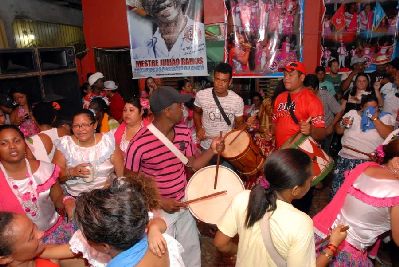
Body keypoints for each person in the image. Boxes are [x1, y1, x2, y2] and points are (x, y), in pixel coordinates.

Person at [125, 86, 224, 267]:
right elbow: (130, 182)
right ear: (167, 111)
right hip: (158, 211)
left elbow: (193, 164)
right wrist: (161, 201)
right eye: (179, 105)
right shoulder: (138, 144)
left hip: (183, 204)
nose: (183, 109)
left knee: (191, 249)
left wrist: (212, 150)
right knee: (166, 257)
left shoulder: (184, 132)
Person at [214, 149, 347, 267]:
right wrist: (332, 245)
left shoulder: (243, 198)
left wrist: (240, 251)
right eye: (309, 179)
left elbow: (220, 243)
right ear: (295, 190)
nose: (312, 179)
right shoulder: (300, 223)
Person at [314, 138, 399, 265]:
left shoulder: (365, 167)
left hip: (325, 236)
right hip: (346, 253)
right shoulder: (396, 191)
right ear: (397, 162)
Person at [0, 125, 75, 244]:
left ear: (25, 143)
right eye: (4, 143)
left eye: (17, 141)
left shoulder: (45, 169)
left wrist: (68, 201)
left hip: (56, 232)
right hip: (20, 245)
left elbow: (57, 198)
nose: (12, 147)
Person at [74, 177, 170, 267]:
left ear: (104, 246)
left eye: (88, 240)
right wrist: (154, 228)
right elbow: (158, 222)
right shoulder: (157, 244)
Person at [331, 95, 394, 197]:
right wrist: (342, 123)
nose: (371, 110)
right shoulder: (352, 114)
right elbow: (338, 131)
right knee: (338, 192)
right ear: (362, 107)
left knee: (357, 195)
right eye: (368, 108)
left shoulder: (386, 117)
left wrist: (374, 118)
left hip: (366, 162)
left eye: (374, 107)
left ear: (378, 107)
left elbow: (388, 136)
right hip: (345, 158)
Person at [52, 109, 124, 197]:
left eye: (85, 125)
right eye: (76, 126)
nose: (81, 129)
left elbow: (121, 175)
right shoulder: (65, 144)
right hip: (77, 197)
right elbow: (55, 175)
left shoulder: (108, 142)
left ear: (95, 125)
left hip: (106, 196)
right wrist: (72, 172)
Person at [272, 61, 326, 149]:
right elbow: (275, 123)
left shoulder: (312, 100)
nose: (286, 78)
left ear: (302, 77)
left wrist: (311, 130)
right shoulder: (280, 98)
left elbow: (322, 133)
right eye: (285, 75)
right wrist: (270, 133)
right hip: (281, 153)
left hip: (299, 156)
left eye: (290, 75)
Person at [194, 62, 244, 150]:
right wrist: (198, 128)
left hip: (227, 146)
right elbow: (196, 113)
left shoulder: (237, 100)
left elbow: (239, 125)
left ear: (230, 82)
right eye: (217, 79)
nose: (220, 84)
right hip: (206, 145)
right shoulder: (201, 95)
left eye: (224, 81)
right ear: (213, 78)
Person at [133, 0, 205, 59]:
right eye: (159, 8)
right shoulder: (144, 50)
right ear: (152, 12)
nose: (165, 9)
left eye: (169, 4)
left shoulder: (201, 33)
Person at [304, 74, 343, 154]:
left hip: (326, 129)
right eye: (305, 90)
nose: (307, 92)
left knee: (324, 153)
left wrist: (331, 126)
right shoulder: (303, 96)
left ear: (316, 88)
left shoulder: (326, 95)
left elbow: (339, 111)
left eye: (310, 89)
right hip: (310, 130)